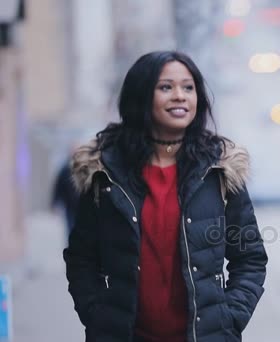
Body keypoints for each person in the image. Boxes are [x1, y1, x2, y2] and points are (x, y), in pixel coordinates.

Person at [63, 51, 268, 342]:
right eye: (165, 87)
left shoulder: (219, 170)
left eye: (188, 87)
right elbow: (81, 258)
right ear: (141, 95)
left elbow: (249, 258)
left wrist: (230, 319)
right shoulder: (105, 171)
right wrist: (98, 318)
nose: (179, 96)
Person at [51, 156, 80, 241]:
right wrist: (54, 202)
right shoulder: (65, 169)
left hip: (82, 205)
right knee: (71, 227)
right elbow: (58, 186)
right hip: (70, 205)